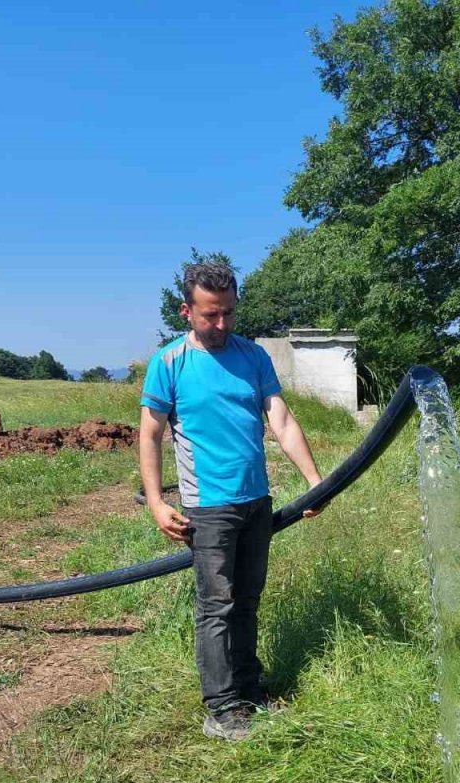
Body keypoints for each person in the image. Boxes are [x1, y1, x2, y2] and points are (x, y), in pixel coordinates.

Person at [138, 261, 325, 741]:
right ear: (187, 310)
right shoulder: (169, 362)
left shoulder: (253, 357)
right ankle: (222, 708)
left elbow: (280, 420)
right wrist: (157, 502)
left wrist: (314, 481)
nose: (221, 325)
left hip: (256, 501)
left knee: (247, 603)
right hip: (208, 505)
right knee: (217, 606)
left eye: (228, 314)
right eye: (210, 315)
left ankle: (249, 690)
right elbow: (151, 434)